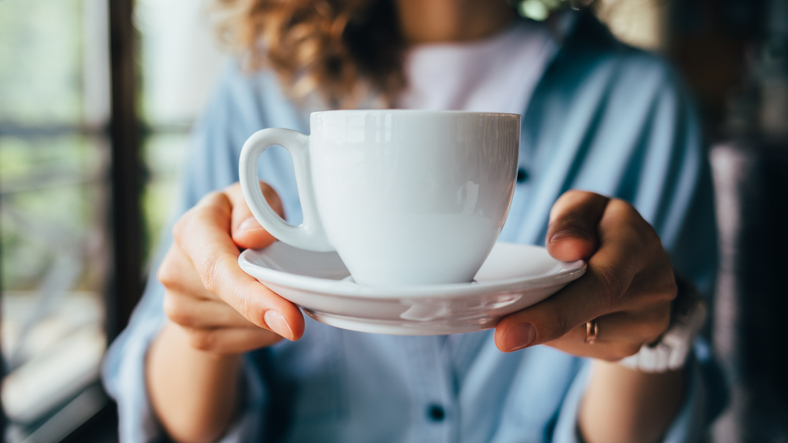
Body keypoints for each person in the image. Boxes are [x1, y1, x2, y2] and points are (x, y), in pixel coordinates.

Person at [103, 1, 720, 442]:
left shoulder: (643, 102)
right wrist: (203, 311)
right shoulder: (260, 89)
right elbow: (182, 426)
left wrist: (652, 342)